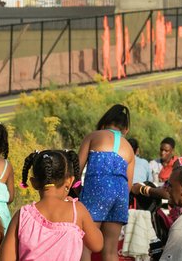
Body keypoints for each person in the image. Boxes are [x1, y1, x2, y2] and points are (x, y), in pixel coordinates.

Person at [0, 150, 102, 261]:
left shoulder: (22, 215)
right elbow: (97, 245)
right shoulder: (78, 211)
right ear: (69, 181)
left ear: (34, 183)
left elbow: (5, 258)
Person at [78, 104, 134, 261]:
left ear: (105, 122)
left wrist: (78, 191)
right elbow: (128, 184)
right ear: (125, 130)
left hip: (95, 192)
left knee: (85, 246)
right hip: (120, 197)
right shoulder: (129, 148)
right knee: (110, 250)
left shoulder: (93, 136)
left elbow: (76, 170)